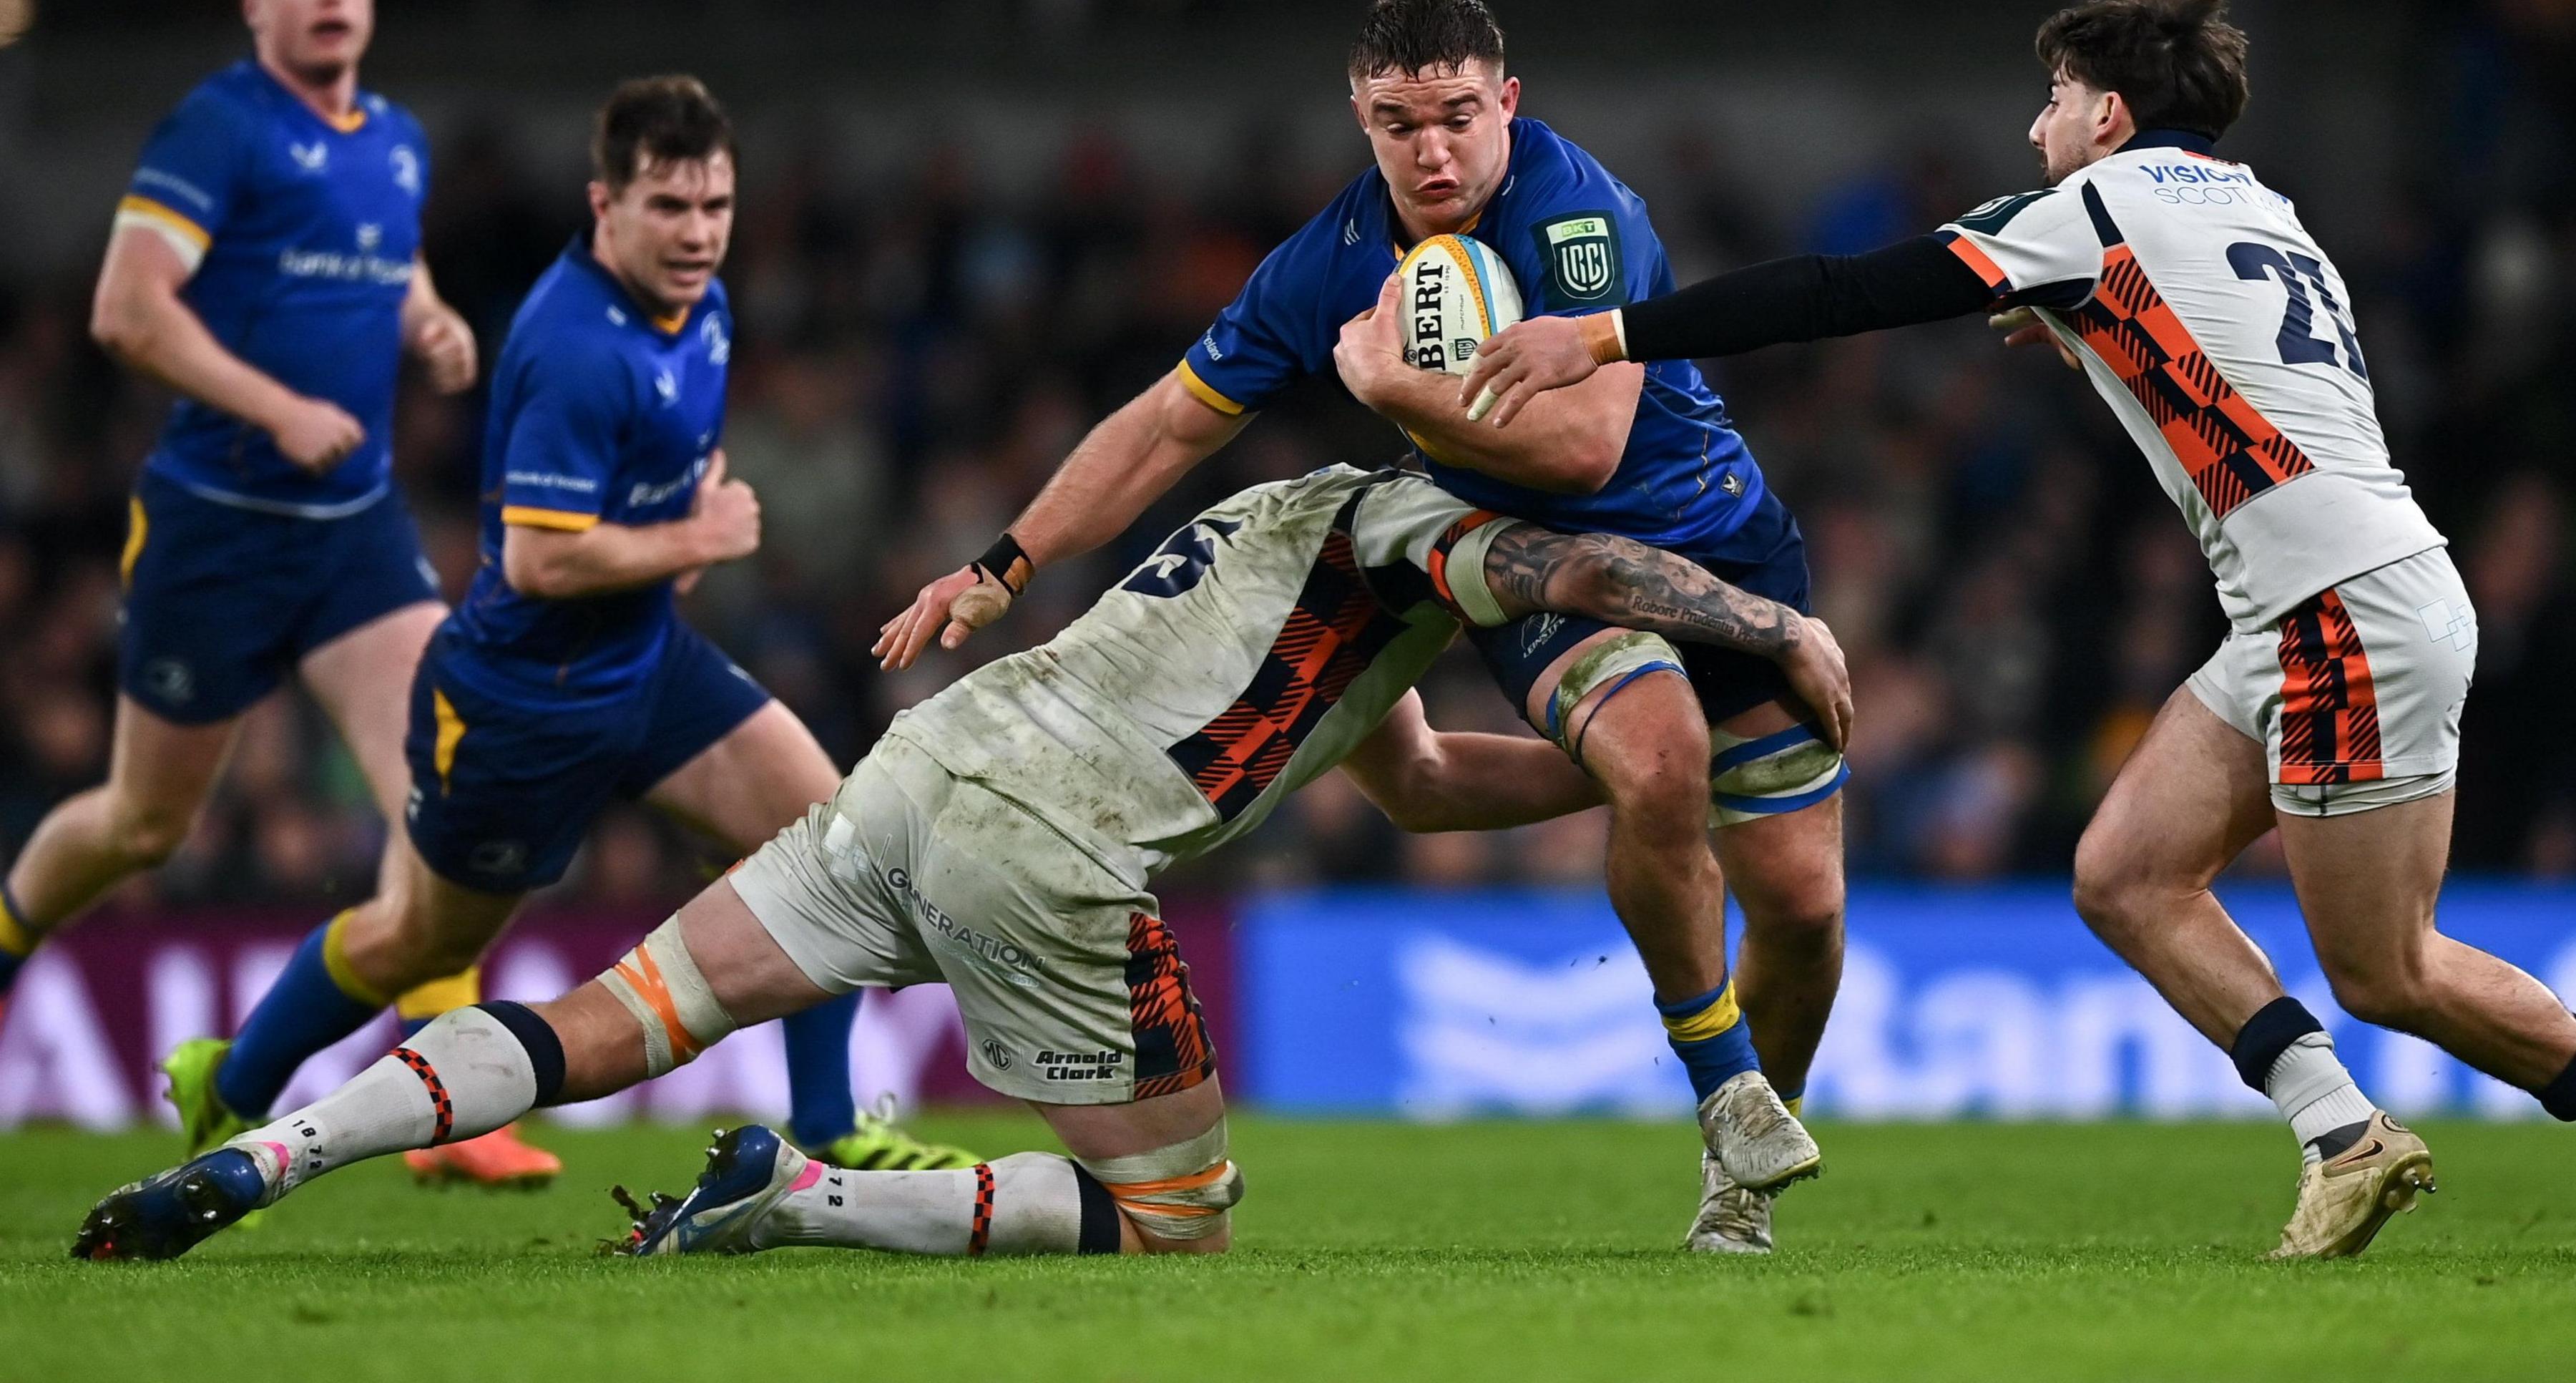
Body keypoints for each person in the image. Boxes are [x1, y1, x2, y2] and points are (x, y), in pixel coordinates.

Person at [1458, 0, 2576, 1260]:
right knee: (2124, 875)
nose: (2035, 129)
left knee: (2387, 968)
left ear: (2109, 117)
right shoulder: (2261, 206)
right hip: (2319, 603)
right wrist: (2086, 330)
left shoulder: (2095, 206)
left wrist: (1609, 335)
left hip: (2342, 614)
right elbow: (2230, 360)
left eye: (2054, 99)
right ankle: (2346, 1137)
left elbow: (1840, 291)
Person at [74, 462, 1853, 1264]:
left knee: (616, 1012)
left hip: (927, 770)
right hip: (1052, 852)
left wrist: (1618, 775)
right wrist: (1768, 621)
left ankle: (271, 1156)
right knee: (1182, 1222)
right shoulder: (1414, 518)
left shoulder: (1280, 531)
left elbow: (1417, 785)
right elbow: (1588, 581)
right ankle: (805, 1197)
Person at [883, 0, 1846, 1252]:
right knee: (1657, 758)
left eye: (1457, 117)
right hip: (1534, 568)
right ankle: (1728, 1099)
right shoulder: (1326, 260)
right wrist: (1006, 560)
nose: (1433, 151)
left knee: (1803, 907)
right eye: (1401, 124)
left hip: (1720, 540)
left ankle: (1739, 1155)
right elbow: (1172, 422)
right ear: (1362, 118)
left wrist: (1397, 387)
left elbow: (1588, 440)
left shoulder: (1578, 211)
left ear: (1508, 102)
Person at [159, 76, 971, 1186]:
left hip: (647, 662)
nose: (696, 234)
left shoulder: (706, 306)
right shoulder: (577, 344)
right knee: (419, 941)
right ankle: (232, 1086)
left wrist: (680, 518)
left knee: (821, 828)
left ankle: (828, 1133)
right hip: (524, 697)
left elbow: (661, 468)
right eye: (669, 209)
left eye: (713, 208)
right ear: (605, 204)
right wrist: (695, 535)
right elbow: (540, 559)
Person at [0, 0, 509, 1173]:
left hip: (352, 530)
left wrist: (430, 318)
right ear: (255, 0)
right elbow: (128, 308)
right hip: (217, 530)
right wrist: (274, 407)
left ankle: (441, 1115)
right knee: (140, 825)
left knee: (436, 781)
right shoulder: (215, 128)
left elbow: (382, 263)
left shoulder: (393, 136)